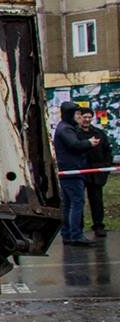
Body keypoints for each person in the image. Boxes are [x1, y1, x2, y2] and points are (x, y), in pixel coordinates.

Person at [54, 101, 99, 246]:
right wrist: (89, 143)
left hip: (68, 170)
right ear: (70, 114)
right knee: (77, 202)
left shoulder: (65, 127)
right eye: (77, 114)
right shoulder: (66, 129)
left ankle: (67, 234)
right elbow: (74, 145)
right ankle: (76, 235)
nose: (79, 117)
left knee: (68, 204)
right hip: (72, 170)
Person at [78, 105, 113, 238]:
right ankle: (78, 227)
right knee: (78, 201)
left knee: (97, 200)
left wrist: (105, 168)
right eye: (84, 117)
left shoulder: (99, 133)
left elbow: (107, 151)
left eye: (89, 117)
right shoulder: (75, 134)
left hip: (97, 172)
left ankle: (98, 225)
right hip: (81, 171)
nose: (87, 119)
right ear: (79, 118)